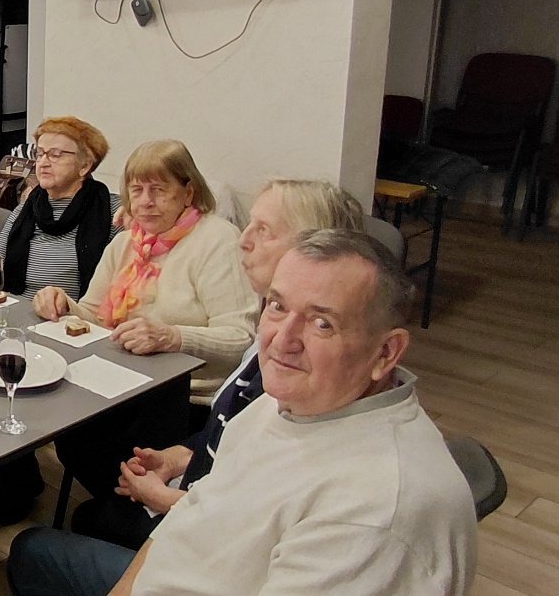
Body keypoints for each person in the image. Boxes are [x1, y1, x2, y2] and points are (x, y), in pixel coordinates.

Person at [8, 229, 477, 596]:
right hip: (181, 571)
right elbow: (188, 522)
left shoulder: (376, 510)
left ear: (385, 353)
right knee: (31, 550)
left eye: (322, 322)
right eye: (277, 306)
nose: (282, 340)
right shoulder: (280, 401)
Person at [69, 179, 365, 549]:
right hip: (198, 483)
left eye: (264, 230)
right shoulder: (267, 339)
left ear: (315, 252)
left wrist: (166, 500)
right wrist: (179, 457)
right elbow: (230, 435)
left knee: (67, 527)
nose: (243, 240)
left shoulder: (300, 372)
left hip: (211, 535)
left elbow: (259, 519)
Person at [0, 139, 259, 523]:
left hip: (187, 400)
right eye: (137, 191)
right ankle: (125, 510)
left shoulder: (216, 240)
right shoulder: (126, 242)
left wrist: (172, 336)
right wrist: (62, 303)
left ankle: (138, 518)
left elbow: (241, 338)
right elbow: (92, 314)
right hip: (121, 382)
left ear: (188, 192)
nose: (146, 202)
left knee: (83, 438)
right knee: (64, 429)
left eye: (159, 190)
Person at [0, 116, 120, 524]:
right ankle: (7, 470)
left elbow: (114, 287)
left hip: (74, 328)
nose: (43, 162)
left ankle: (18, 480)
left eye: (57, 154)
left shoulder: (111, 211)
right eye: (40, 153)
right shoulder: (28, 206)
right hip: (18, 315)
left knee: (2, 373)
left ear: (86, 164)